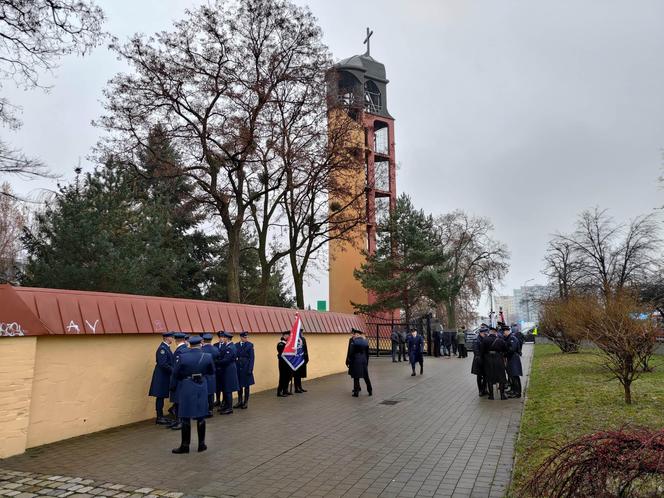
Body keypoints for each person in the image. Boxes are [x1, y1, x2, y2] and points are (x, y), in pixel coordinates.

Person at [170, 335, 214, 454]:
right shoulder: (207, 356)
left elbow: (176, 373)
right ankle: (201, 444)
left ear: (189, 344)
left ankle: (185, 446)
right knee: (201, 417)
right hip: (201, 386)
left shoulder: (183, 357)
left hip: (187, 386)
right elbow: (211, 371)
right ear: (200, 344)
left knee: (185, 417)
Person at [148, 331, 174, 425]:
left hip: (164, 376)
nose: (173, 338)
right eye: (171, 337)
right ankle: (159, 417)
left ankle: (161, 416)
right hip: (161, 377)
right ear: (166, 338)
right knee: (160, 396)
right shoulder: (162, 349)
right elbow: (163, 364)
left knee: (161, 396)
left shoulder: (166, 347)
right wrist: (173, 370)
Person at [168, 332, 189, 430]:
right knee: (179, 402)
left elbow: (176, 369)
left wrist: (173, 382)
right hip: (184, 379)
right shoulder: (186, 349)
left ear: (176, 340)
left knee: (178, 401)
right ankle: (177, 421)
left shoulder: (179, 351)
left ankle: (180, 422)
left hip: (179, 380)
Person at [481, 326, 508, 400]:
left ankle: (491, 395)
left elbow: (482, 351)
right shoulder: (500, 340)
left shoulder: (485, 340)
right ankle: (502, 395)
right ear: (496, 333)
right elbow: (505, 349)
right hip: (498, 359)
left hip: (488, 360)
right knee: (501, 377)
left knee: (489, 378)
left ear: (489, 332)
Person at [217, 331, 239, 414]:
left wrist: (216, 362)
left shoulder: (231, 347)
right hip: (225, 369)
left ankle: (229, 408)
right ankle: (226, 405)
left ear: (227, 338)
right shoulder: (226, 345)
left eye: (224, 337)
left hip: (229, 369)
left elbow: (226, 360)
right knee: (225, 388)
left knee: (228, 389)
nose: (223, 339)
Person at [346, 328, 372, 397]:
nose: (354, 335)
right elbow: (367, 354)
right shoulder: (365, 341)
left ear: (357, 334)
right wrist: (366, 362)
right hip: (364, 360)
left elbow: (351, 353)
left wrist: (350, 360)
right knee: (366, 377)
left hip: (356, 361)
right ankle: (370, 391)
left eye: (355, 334)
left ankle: (356, 393)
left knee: (356, 377)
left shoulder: (354, 342)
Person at [234, 331, 255, 409]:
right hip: (238, 366)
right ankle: (240, 401)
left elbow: (252, 358)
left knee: (246, 385)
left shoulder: (250, 345)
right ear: (241, 337)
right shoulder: (236, 345)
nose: (246, 339)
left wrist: (250, 369)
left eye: (247, 337)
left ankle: (245, 402)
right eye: (244, 337)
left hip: (246, 367)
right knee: (239, 385)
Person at [201, 333, 220, 416]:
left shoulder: (201, 349)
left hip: (203, 374)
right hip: (212, 373)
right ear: (211, 340)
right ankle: (210, 410)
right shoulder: (215, 349)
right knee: (211, 392)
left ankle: (204, 409)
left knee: (203, 392)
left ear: (203, 340)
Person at [503, 325, 523, 398]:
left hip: (513, 358)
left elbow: (512, 349)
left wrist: (505, 354)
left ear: (507, 331)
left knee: (515, 375)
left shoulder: (512, 338)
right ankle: (513, 390)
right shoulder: (509, 338)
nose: (503, 333)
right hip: (511, 358)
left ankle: (517, 392)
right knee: (511, 375)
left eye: (504, 332)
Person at [471, 326, 488, 396]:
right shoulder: (476, 340)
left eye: (485, 332)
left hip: (485, 360)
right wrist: (480, 358)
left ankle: (485, 389)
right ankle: (480, 390)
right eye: (484, 333)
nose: (485, 334)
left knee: (485, 376)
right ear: (481, 333)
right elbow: (476, 351)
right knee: (479, 376)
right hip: (478, 360)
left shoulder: (485, 339)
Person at [276, 331, 293, 397]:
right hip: (283, 363)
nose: (289, 337)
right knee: (283, 377)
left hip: (289, 363)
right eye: (288, 335)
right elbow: (282, 352)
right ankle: (279, 391)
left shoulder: (288, 343)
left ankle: (285, 390)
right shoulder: (280, 344)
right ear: (284, 336)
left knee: (289, 376)